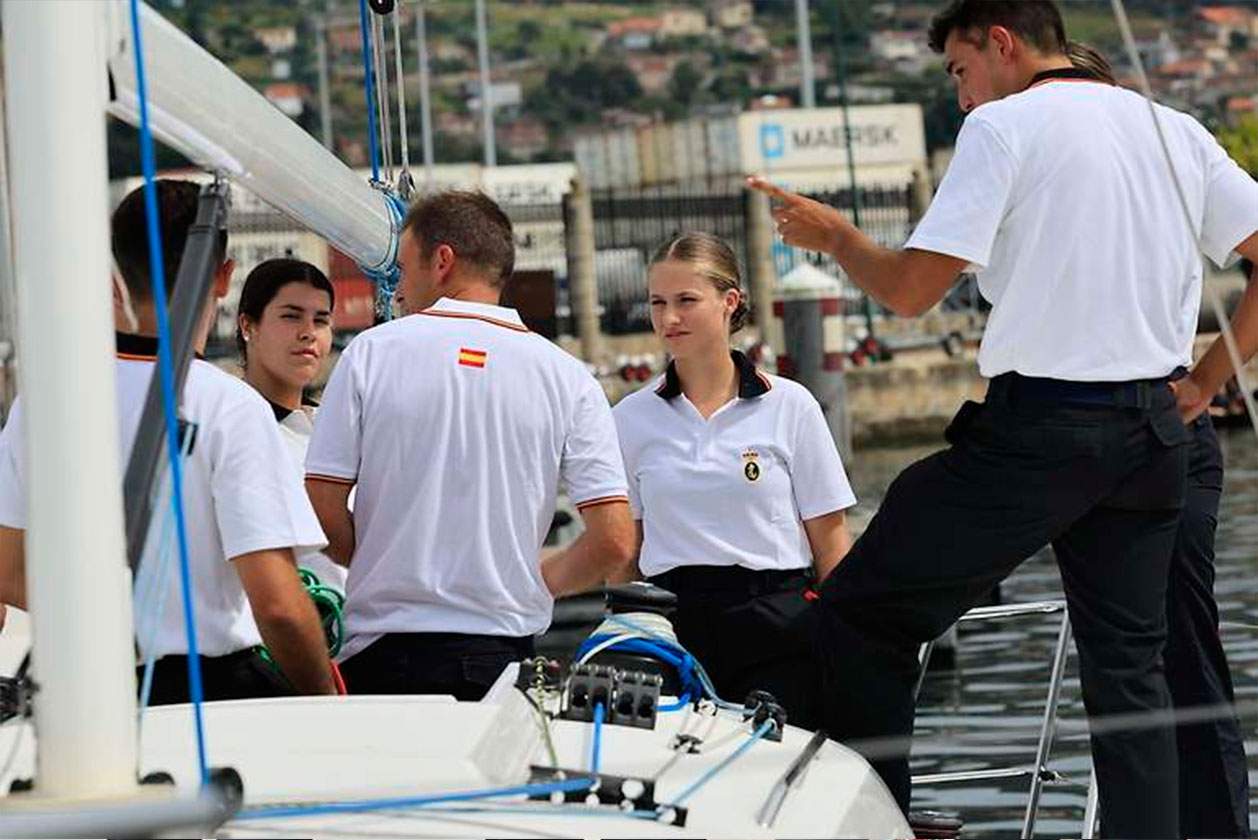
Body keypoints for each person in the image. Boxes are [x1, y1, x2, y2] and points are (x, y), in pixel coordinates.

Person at [748, 1, 1258, 835]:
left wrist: (837, 236)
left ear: (1003, 44)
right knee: (1132, 676)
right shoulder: (1174, 128)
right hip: (1155, 438)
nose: (961, 96)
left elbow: (912, 293)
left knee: (860, 611)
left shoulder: (1003, 128)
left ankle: (875, 824)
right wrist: (1204, 383)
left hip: (1043, 433)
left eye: (958, 69)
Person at [0, 180, 337, 704]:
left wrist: (106, 616)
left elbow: (7, 570)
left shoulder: (39, 404)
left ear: (114, 273)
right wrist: (325, 699)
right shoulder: (228, 406)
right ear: (223, 277)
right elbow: (277, 607)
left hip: (86, 691)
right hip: (211, 692)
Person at [305, 190, 636, 700]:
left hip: (384, 652)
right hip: (501, 659)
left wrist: (380, 558)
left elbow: (322, 503)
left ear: (442, 262)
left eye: (404, 268)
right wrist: (535, 580)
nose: (400, 287)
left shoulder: (371, 353)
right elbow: (614, 539)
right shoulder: (568, 377)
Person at [1058, 40, 1250, 838]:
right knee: (1123, 654)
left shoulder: (1170, 146)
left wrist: (1206, 381)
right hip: (1073, 438)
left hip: (1164, 426)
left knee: (1175, 636)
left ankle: (1208, 826)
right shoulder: (1046, 179)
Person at [612, 232, 855, 728]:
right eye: (658, 303)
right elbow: (624, 550)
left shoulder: (791, 406)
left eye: (686, 301)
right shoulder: (629, 418)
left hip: (776, 626)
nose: (669, 318)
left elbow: (831, 545)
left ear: (730, 302)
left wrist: (850, 646)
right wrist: (627, 629)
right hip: (670, 629)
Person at [236, 258, 347, 593]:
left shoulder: (341, 429)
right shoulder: (229, 429)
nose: (308, 333)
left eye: (321, 320)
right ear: (248, 325)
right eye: (291, 316)